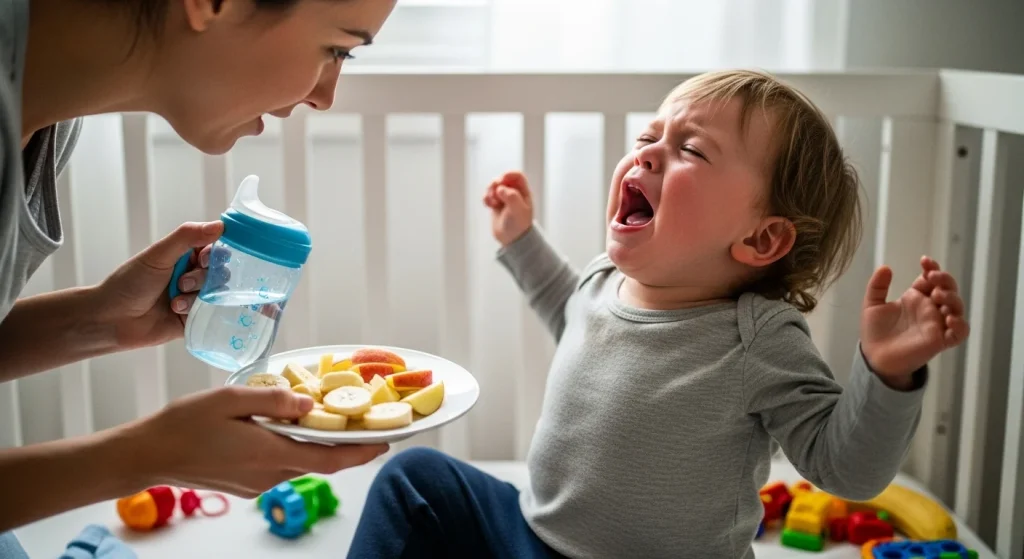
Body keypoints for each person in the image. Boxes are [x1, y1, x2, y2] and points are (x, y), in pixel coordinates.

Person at [344, 69, 971, 559]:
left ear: (760, 240)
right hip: (530, 534)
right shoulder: (604, 280)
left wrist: (886, 375)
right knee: (414, 477)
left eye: (691, 151)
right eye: (648, 137)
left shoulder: (756, 338)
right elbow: (570, 315)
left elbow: (845, 467)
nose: (646, 154)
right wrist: (522, 240)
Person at [0, 0, 399, 551]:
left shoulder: (49, 113)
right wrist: (146, 457)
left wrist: (99, 322)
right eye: (335, 49)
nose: (325, 97)